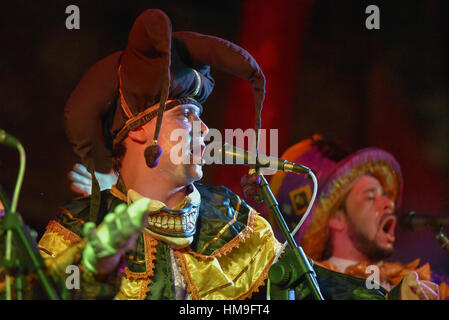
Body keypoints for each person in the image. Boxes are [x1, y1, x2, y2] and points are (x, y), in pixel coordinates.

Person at [33, 9, 392, 300]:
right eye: (186, 115)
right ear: (140, 129)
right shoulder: (76, 230)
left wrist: (389, 296)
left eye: (200, 117)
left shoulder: (230, 216)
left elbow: (309, 285)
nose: (205, 130)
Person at [266, 134, 448, 299]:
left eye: (386, 195)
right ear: (337, 218)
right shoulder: (314, 288)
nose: (389, 204)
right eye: (370, 196)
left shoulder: (429, 281)